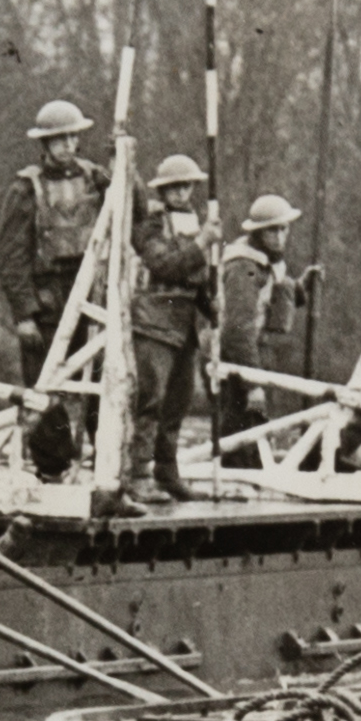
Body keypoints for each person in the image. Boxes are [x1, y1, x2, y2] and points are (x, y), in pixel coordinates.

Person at [0, 99, 111, 480]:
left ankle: (107, 456)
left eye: (71, 138)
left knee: (102, 379)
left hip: (90, 300)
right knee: (45, 386)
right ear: (44, 145)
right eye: (58, 140)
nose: (66, 146)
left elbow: (132, 207)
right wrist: (23, 314)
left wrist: (123, 162)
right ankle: (52, 465)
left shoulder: (97, 179)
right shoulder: (25, 189)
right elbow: (12, 257)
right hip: (47, 301)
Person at [125, 153, 220, 503]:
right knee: (149, 400)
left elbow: (198, 277)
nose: (181, 193)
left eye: (186, 186)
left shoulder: (197, 222)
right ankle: (137, 475)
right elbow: (164, 264)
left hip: (187, 325)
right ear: (162, 190)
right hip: (155, 321)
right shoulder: (150, 224)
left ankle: (167, 472)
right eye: (174, 187)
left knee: (177, 403)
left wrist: (212, 305)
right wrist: (201, 245)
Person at [210, 193, 304, 456]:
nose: (279, 237)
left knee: (250, 430)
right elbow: (237, 331)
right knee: (239, 430)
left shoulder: (268, 263)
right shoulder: (244, 267)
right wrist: (253, 384)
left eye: (283, 229)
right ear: (258, 233)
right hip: (229, 359)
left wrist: (302, 287)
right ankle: (235, 482)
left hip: (246, 357)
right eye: (271, 231)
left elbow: (276, 293)